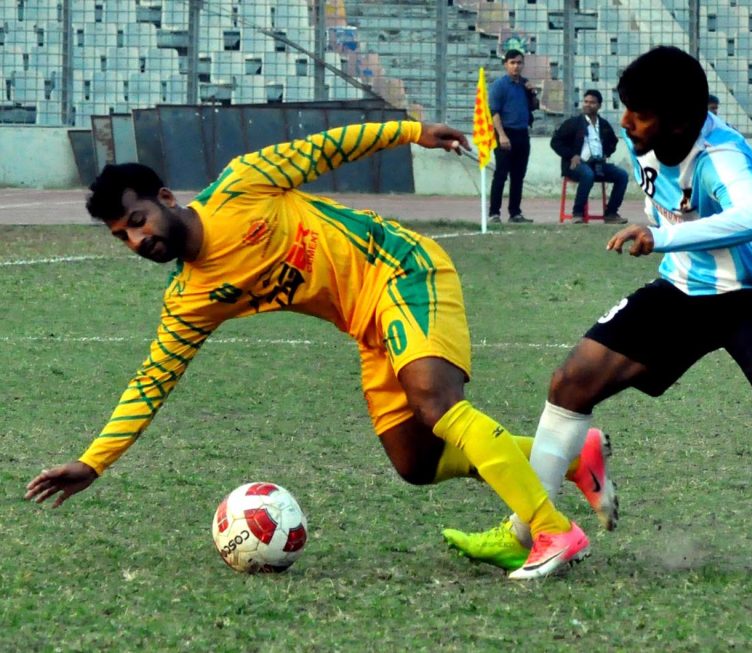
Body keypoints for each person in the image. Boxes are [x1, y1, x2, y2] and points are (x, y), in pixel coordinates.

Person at [23, 120, 603, 580]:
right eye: (123, 236)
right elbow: (152, 382)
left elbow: (325, 148)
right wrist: (94, 460)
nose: (137, 239)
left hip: (403, 267)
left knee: (435, 401)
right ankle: (570, 456)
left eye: (137, 220)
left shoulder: (243, 183)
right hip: (366, 322)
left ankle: (551, 531)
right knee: (415, 460)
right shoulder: (189, 299)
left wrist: (411, 130)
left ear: (166, 198)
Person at [442, 47, 752, 586]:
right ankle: (527, 532)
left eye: (638, 113)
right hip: (683, 289)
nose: (625, 121)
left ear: (681, 120)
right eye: (625, 109)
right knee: (571, 382)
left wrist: (662, 237)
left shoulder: (721, 155)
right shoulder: (650, 144)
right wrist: (668, 244)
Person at [550, 89, 629, 224]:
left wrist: (606, 153)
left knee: (622, 175)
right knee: (587, 175)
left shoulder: (603, 124)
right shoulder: (573, 123)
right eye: (586, 102)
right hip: (576, 165)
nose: (588, 105)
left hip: (598, 164)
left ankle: (611, 213)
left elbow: (613, 141)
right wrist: (572, 155)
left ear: (599, 105)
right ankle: (577, 213)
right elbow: (555, 142)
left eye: (592, 103)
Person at [488, 49, 537, 224]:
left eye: (519, 63)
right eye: (512, 63)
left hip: (522, 133)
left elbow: (534, 107)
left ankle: (515, 212)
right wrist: (501, 135)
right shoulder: (499, 85)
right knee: (501, 174)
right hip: (505, 132)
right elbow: (494, 112)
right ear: (505, 65)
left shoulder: (524, 85)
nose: (516, 66)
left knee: (518, 176)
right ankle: (494, 213)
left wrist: (532, 93)